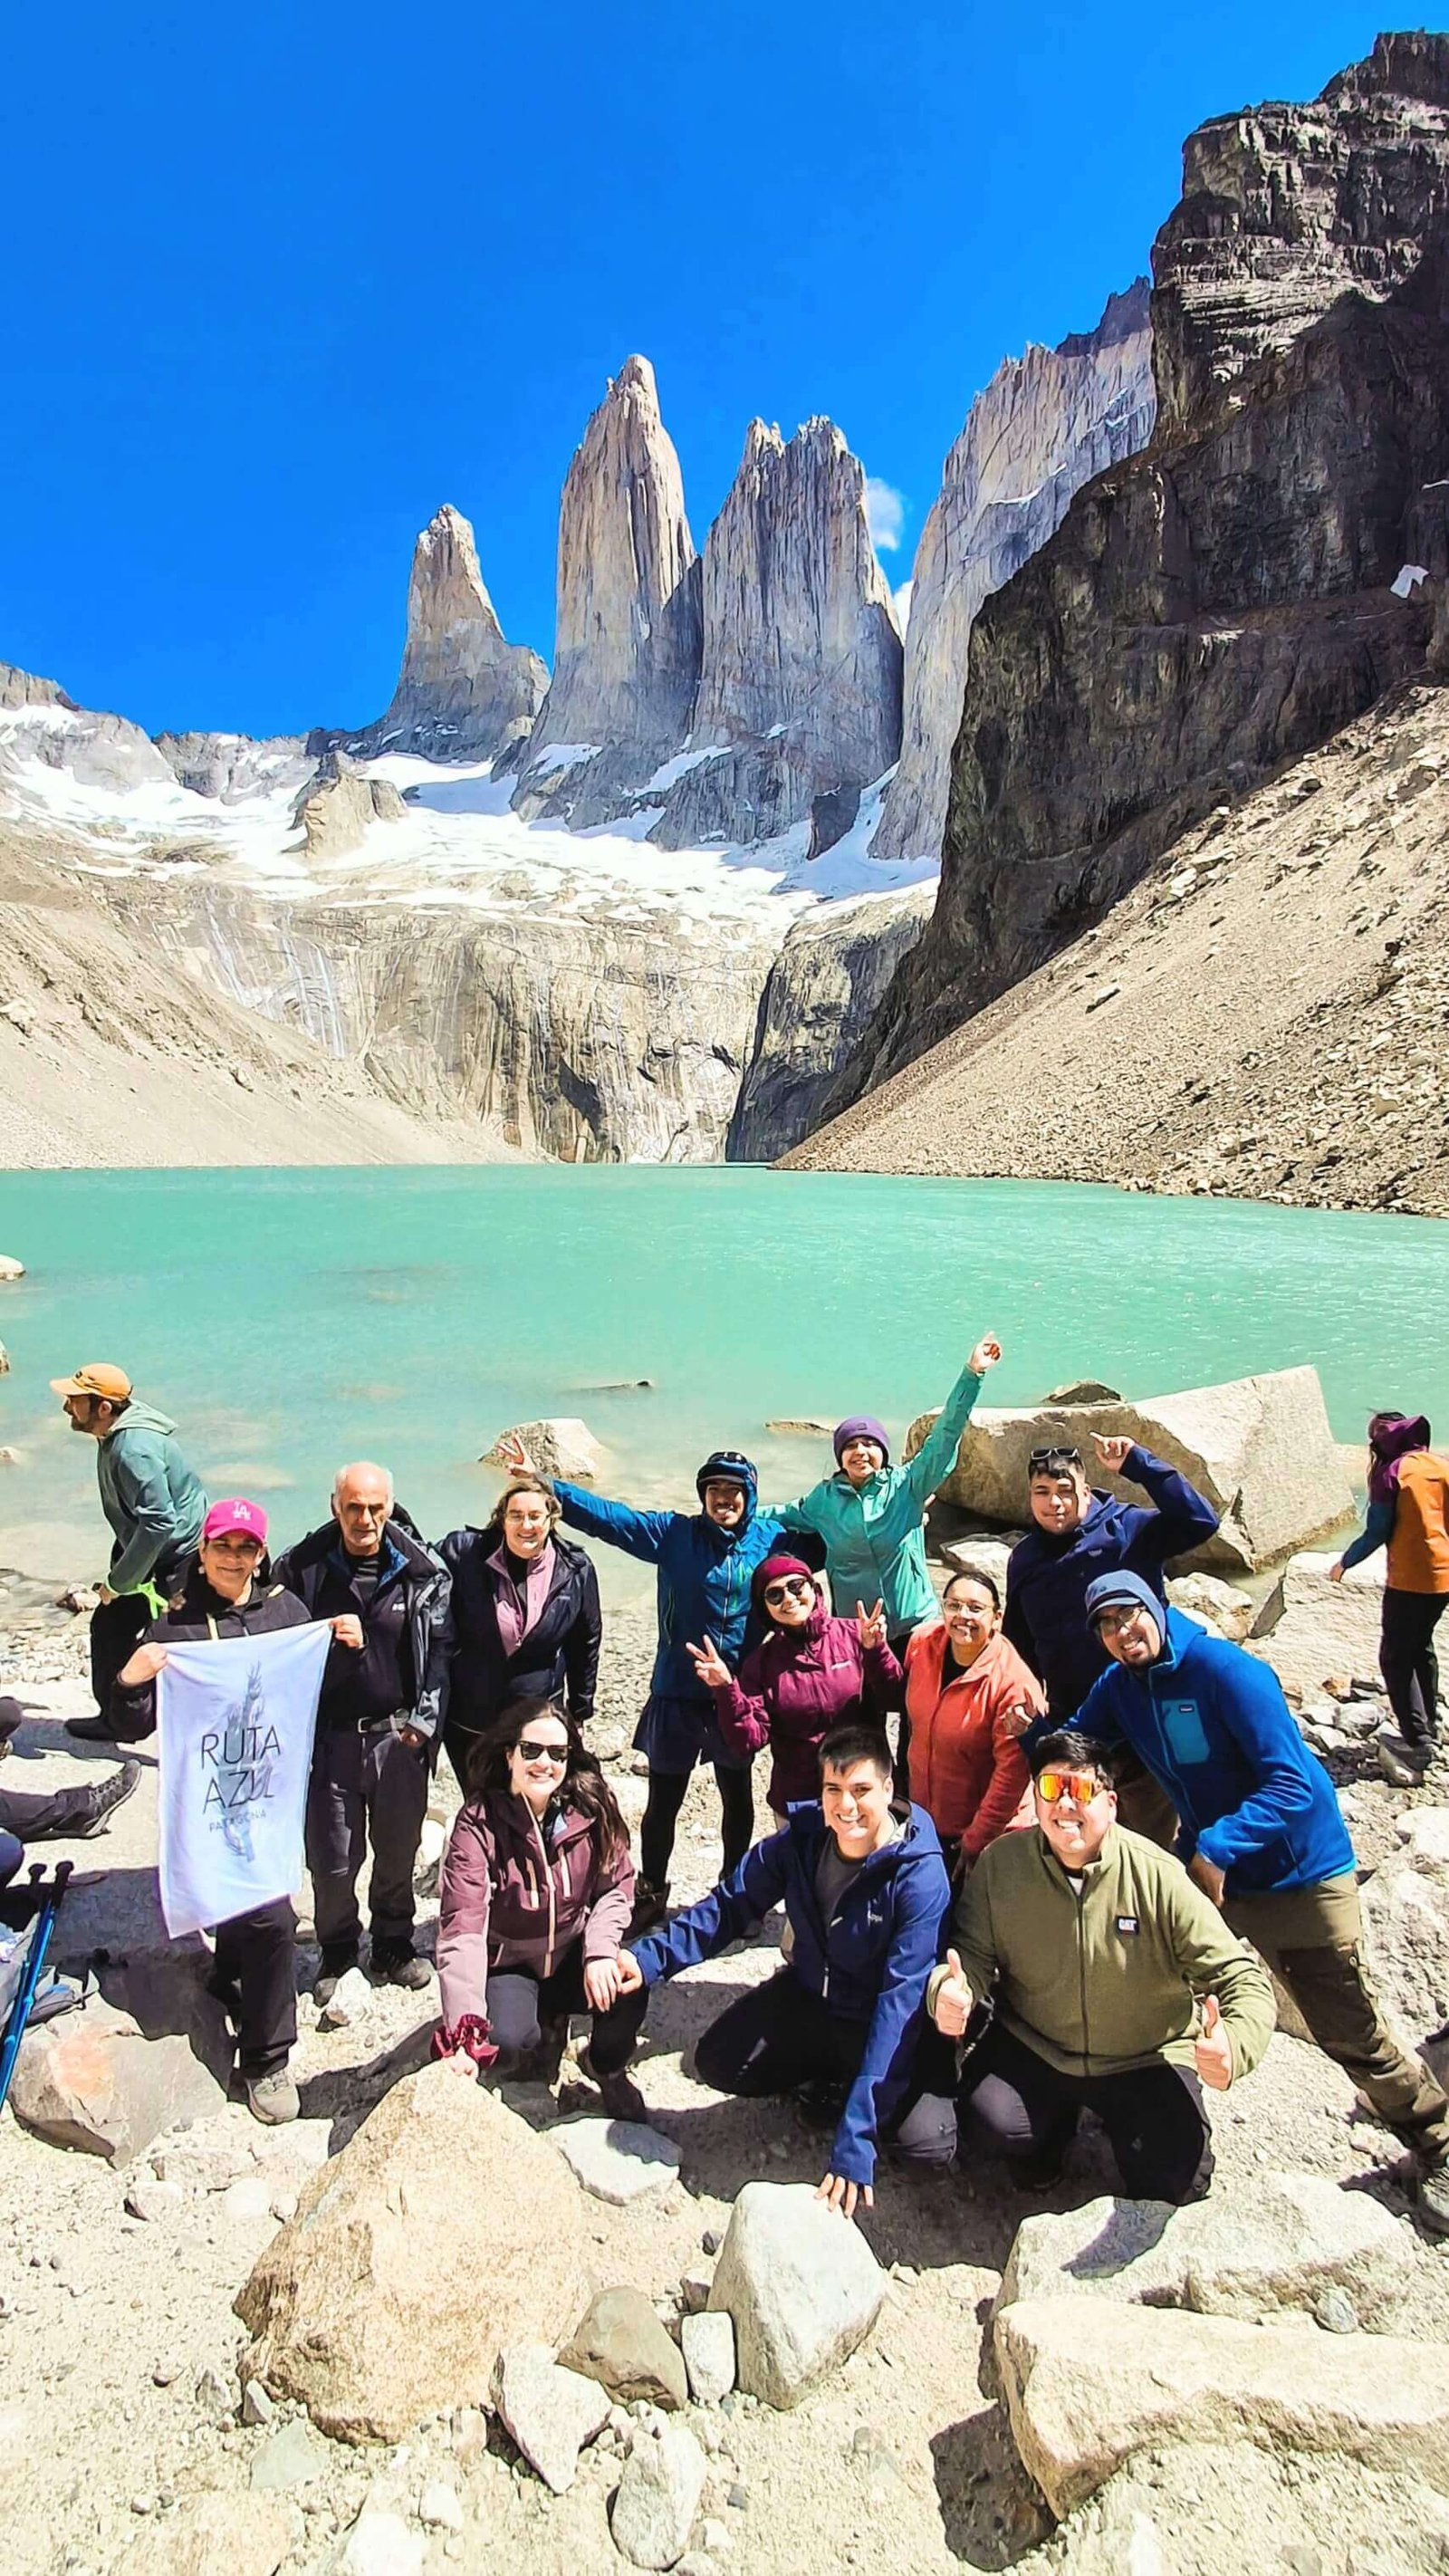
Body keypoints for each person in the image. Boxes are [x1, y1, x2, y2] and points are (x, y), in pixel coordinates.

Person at [1072, 1569, 1449, 2231]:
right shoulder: (1122, 1686)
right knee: (1150, 1972)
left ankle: (1437, 2144)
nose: (1119, 1632)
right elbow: (1078, 1741)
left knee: (1346, 2030)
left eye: (1128, 1614)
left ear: (1156, 1606)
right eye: (1104, 1624)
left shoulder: (1226, 1671)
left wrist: (1218, 1845)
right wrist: (1024, 1741)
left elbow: (1296, 1783)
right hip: (1214, 1869)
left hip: (1296, 1877)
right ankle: (1145, 2115)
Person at [618, 1723, 952, 2216]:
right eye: (833, 1791)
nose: (846, 1807)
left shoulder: (918, 1875)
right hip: (813, 1995)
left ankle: (859, 2096)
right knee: (718, 2061)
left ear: (887, 1787)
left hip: (876, 2019)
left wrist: (856, 2141)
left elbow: (899, 2005)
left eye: (861, 1791)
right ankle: (831, 2080)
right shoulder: (803, 1839)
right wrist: (647, 1959)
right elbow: (729, 1906)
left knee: (929, 2146)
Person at [930, 1730, 1275, 2200]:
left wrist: (1234, 2044)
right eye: (1052, 1790)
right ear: (1036, 1799)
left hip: (1143, 2056)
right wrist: (950, 1991)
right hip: (1039, 2044)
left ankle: (1118, 2126)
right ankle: (1048, 2141)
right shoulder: (1002, 1866)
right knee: (989, 2122)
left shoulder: (1158, 1876)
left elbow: (1242, 1978)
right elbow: (967, 1955)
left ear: (1110, 1803)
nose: (1065, 1805)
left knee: (1176, 2181)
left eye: (1082, 1791)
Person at [109, 1497, 338, 2124]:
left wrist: (339, 1641)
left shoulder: (287, 1613)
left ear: (261, 1555)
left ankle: (267, 2059)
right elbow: (130, 1721)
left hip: (264, 1796)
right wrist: (129, 1681)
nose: (234, 1558)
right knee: (235, 1906)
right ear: (203, 1551)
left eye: (246, 1548)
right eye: (222, 1546)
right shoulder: (176, 1630)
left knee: (270, 1916)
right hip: (208, 1801)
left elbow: (310, 1689)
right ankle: (233, 1984)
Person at [498, 1435, 782, 1931]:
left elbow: (842, 1544)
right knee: (663, 1803)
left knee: (737, 1797)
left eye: (735, 1490)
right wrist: (545, 1482)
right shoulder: (674, 1535)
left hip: (734, 1696)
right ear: (702, 1495)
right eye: (714, 1489)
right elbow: (610, 1519)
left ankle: (734, 1891)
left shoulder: (773, 1539)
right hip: (676, 1692)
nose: (724, 1498)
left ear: (751, 1496)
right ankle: (651, 1889)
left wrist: (903, 1514)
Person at [274, 1462, 452, 2002]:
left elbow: (442, 1653)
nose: (365, 1519)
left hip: (399, 1737)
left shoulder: (423, 1571)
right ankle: (337, 1949)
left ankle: (394, 1943)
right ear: (335, 1506)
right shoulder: (302, 1567)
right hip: (330, 1739)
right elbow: (259, 1625)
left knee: (398, 1850)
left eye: (376, 1508)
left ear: (391, 1506)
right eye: (354, 1507)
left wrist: (424, 1724)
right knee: (332, 1857)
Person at [433, 1695, 647, 2117]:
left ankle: (605, 2067)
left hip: (572, 1948)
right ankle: (544, 2029)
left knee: (631, 1980)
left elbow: (618, 1886)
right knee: (507, 2040)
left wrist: (601, 1949)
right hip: (511, 1958)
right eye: (531, 1751)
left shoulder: (590, 1810)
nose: (543, 1763)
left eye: (557, 1753)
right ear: (510, 1754)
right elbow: (463, 1928)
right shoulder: (478, 1825)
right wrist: (463, 2029)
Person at [1003, 1431, 1221, 1844]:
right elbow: (1018, 1640)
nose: (1054, 1503)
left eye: (1065, 1491)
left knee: (1150, 1837)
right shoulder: (1026, 1557)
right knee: (1082, 1833)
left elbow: (1201, 1521)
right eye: (1042, 1492)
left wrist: (1139, 1463)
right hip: (1075, 1719)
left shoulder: (1127, 1528)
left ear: (1086, 1491)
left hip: (1144, 1714)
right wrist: (1022, 1699)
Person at [50, 1364, 207, 1743]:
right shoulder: (117, 1432)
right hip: (146, 1545)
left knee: (156, 1636)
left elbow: (159, 1522)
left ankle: (134, 1723)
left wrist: (119, 1583)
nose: (66, 1407)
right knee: (113, 1628)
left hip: (174, 1556)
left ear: (103, 1407)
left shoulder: (134, 1449)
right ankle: (123, 1719)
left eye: (74, 1400)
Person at [686, 1555, 902, 1819]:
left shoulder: (857, 1635)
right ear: (765, 1608)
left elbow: (895, 1699)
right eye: (774, 1595)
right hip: (801, 1799)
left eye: (796, 1586)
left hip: (864, 1788)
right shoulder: (760, 1664)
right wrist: (726, 1689)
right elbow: (748, 1740)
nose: (788, 1599)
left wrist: (876, 1651)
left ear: (814, 1589)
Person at [438, 1475, 601, 1795]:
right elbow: (416, 1567)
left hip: (538, 1718)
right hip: (472, 1720)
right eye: (516, 1515)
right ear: (502, 1519)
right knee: (481, 1810)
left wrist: (580, 1709)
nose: (526, 1525)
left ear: (551, 1519)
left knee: (534, 1808)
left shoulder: (575, 1569)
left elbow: (586, 1641)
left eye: (535, 1516)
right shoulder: (463, 1553)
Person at [903, 1563, 1041, 1876]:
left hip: (982, 1834)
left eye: (976, 1608)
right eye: (953, 1605)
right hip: (925, 1820)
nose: (962, 1616)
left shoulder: (1013, 1683)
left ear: (997, 1618)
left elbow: (1011, 1774)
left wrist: (977, 1838)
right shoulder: (923, 1645)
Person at [1330, 1411, 1449, 1761]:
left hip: (1412, 1579)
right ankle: (1431, 1723)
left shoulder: (1392, 1473)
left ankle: (1418, 1741)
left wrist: (1345, 1561)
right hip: (1445, 1576)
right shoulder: (1438, 1465)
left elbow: (1378, 1531)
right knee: (1421, 1646)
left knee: (1395, 1657)